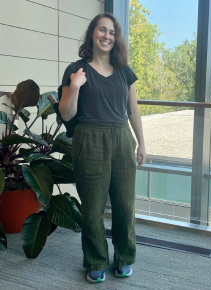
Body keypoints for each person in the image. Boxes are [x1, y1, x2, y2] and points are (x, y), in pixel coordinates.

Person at [58, 13, 146, 283]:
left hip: (121, 138)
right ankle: (95, 260)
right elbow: (66, 114)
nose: (107, 36)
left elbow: (133, 110)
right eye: (102, 30)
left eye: (112, 32)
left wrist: (141, 142)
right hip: (89, 139)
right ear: (92, 34)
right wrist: (74, 87)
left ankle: (123, 258)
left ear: (116, 38)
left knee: (124, 205)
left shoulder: (124, 71)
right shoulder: (77, 69)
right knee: (93, 208)